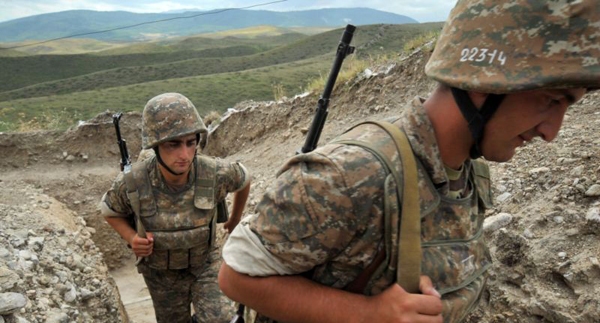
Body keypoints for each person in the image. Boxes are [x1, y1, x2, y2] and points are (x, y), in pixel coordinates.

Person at [218, 0, 600, 322]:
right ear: (486, 80)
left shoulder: (470, 172)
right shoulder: (349, 175)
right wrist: (367, 314)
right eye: (552, 100)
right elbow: (236, 278)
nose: (552, 132)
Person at [100, 92, 251, 323]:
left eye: (191, 143)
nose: (184, 154)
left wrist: (235, 220)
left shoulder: (214, 172)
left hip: (205, 265)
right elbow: (110, 211)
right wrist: (132, 238)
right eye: (174, 144)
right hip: (161, 275)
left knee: (221, 318)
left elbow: (244, 179)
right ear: (156, 145)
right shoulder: (134, 181)